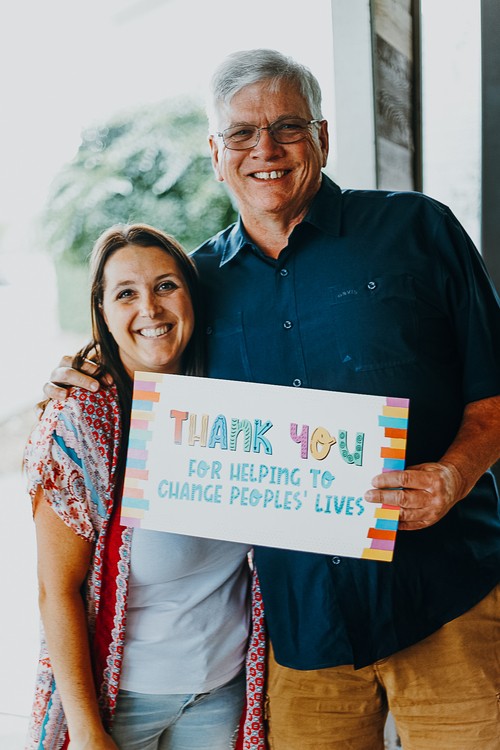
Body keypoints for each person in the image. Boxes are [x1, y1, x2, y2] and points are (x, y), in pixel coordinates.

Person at [44, 49, 500, 750]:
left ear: (323, 137)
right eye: (241, 133)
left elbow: (492, 389)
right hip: (303, 635)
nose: (266, 149)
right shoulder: (196, 286)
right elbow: (140, 345)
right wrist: (77, 372)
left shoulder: (418, 230)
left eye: (288, 126)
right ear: (216, 154)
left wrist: (455, 474)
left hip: (446, 600)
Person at [25, 223, 265, 750]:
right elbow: (56, 590)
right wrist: (87, 730)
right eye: (125, 294)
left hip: (225, 693)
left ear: (191, 296)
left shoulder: (237, 406)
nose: (150, 309)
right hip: (123, 702)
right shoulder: (81, 423)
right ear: (102, 311)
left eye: (165, 286)